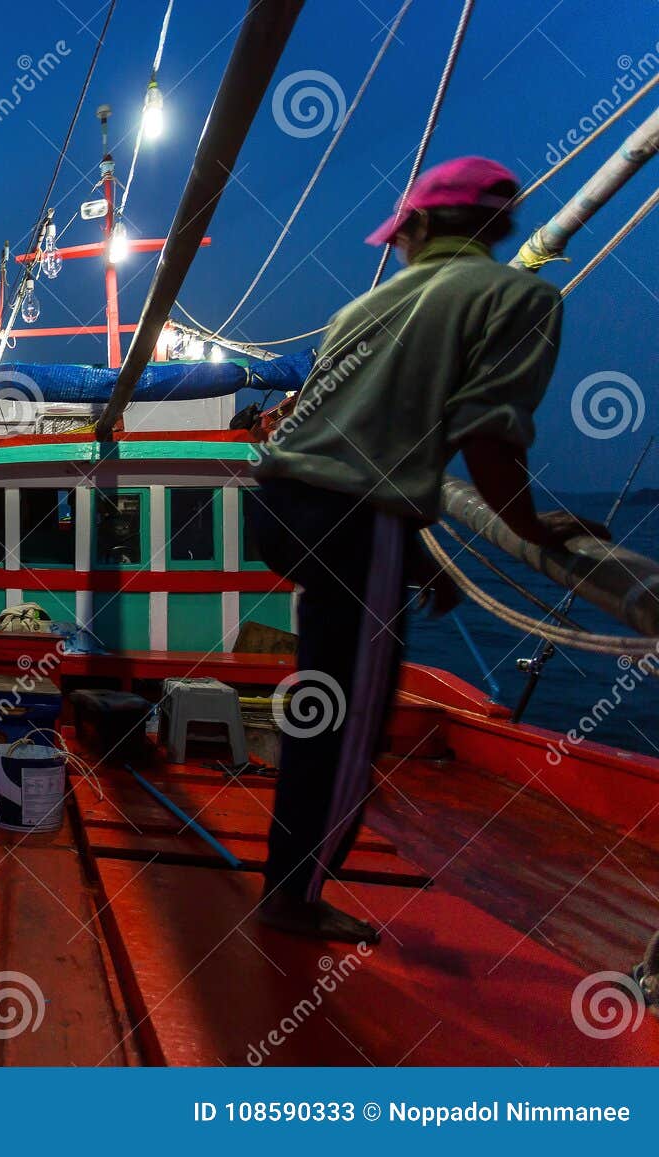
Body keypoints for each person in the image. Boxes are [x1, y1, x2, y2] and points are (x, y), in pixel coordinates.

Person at [248, 156, 610, 944]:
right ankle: (293, 897)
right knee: (351, 720)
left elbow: (335, 434)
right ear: (498, 226)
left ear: (417, 227)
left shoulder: (360, 310)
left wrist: (411, 558)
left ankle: (291, 881)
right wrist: (535, 527)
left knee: (327, 702)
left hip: (281, 510)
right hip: (352, 520)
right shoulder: (519, 295)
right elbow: (486, 433)